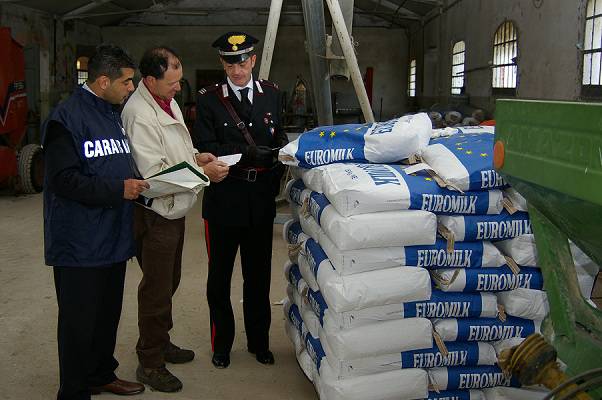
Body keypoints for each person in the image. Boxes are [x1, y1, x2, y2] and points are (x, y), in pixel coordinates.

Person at [42, 44, 148, 400]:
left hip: (113, 238)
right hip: (80, 243)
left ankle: (101, 374)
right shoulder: (66, 118)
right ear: (103, 81)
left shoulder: (111, 114)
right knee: (78, 324)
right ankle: (73, 391)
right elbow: (63, 180)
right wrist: (119, 189)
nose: (131, 88)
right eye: (127, 82)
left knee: (106, 318)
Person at [121, 47, 229, 392]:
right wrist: (203, 171)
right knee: (156, 289)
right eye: (172, 82)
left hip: (175, 209)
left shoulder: (167, 101)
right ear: (150, 80)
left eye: (180, 82)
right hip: (156, 212)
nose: (178, 88)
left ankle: (161, 341)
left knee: (170, 283)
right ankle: (150, 361)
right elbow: (154, 174)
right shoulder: (138, 114)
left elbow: (173, 153)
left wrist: (197, 156)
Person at [192, 31, 289, 369]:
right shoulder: (208, 99)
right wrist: (248, 153)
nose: (237, 69)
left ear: (253, 60)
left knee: (259, 277)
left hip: (261, 200)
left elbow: (280, 138)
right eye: (230, 62)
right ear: (222, 63)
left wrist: (276, 169)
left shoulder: (272, 94)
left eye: (243, 61)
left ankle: (259, 343)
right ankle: (222, 344)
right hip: (223, 198)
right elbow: (204, 145)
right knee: (219, 279)